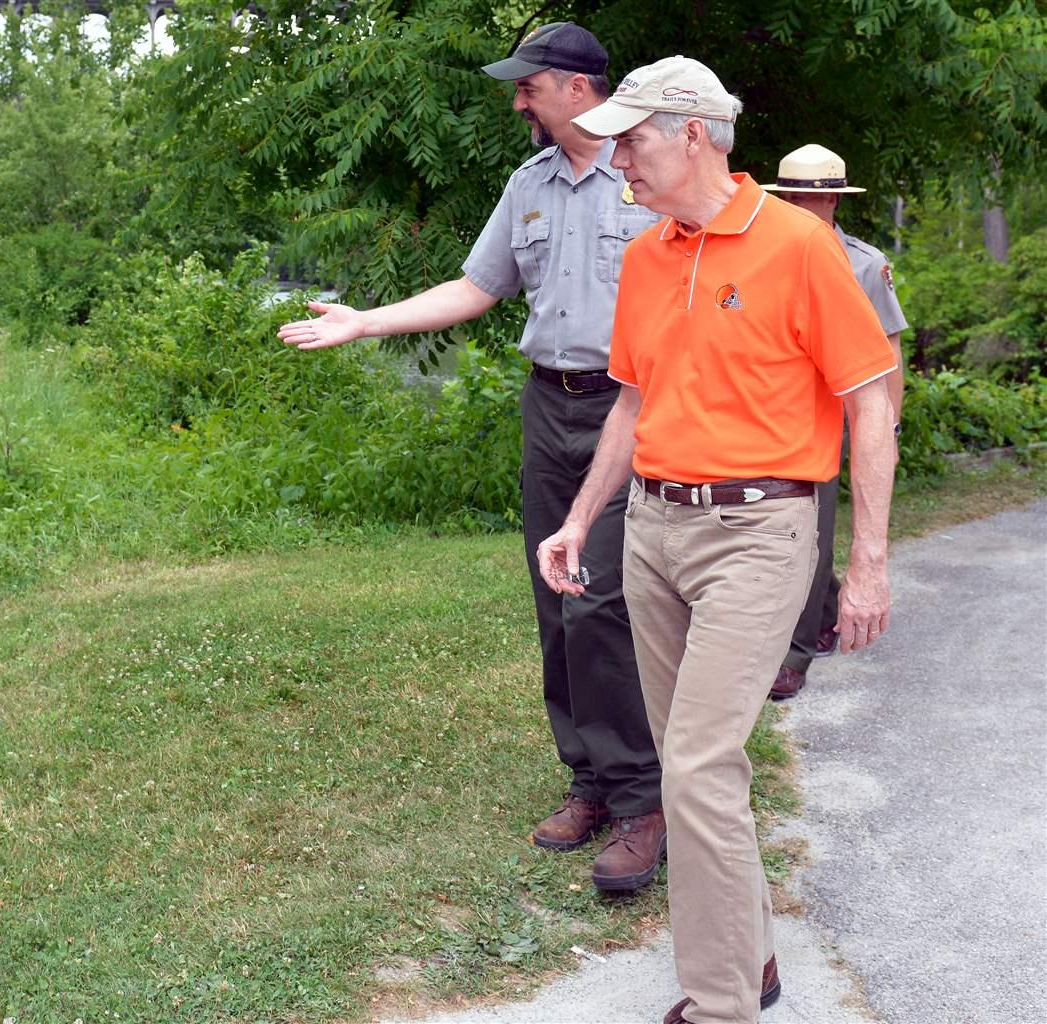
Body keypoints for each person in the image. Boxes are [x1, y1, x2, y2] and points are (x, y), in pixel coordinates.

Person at [536, 56, 899, 1023]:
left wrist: (864, 565)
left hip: (761, 530)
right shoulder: (651, 251)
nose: (617, 159)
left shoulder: (799, 247)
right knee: (692, 758)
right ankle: (757, 959)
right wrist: (579, 521)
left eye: (632, 139)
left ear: (692, 133)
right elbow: (632, 400)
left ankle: (724, 1000)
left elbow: (870, 406)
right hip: (653, 526)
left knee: (694, 766)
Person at [277, 23, 667, 892]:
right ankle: (590, 782)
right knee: (554, 594)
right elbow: (477, 287)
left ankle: (646, 802)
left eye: (528, 85)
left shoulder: (647, 175)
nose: (516, 99)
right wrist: (364, 320)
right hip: (549, 406)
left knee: (601, 599)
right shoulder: (528, 184)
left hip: (631, 408)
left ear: (576, 89)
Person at [759, 144, 908, 700]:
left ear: (835, 202)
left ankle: (793, 653)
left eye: (818, 198)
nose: (807, 206)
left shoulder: (863, 264)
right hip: (776, 414)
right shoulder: (762, 255)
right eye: (797, 196)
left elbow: (888, 356)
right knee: (799, 525)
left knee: (811, 527)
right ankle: (823, 610)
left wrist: (889, 429)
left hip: (844, 414)